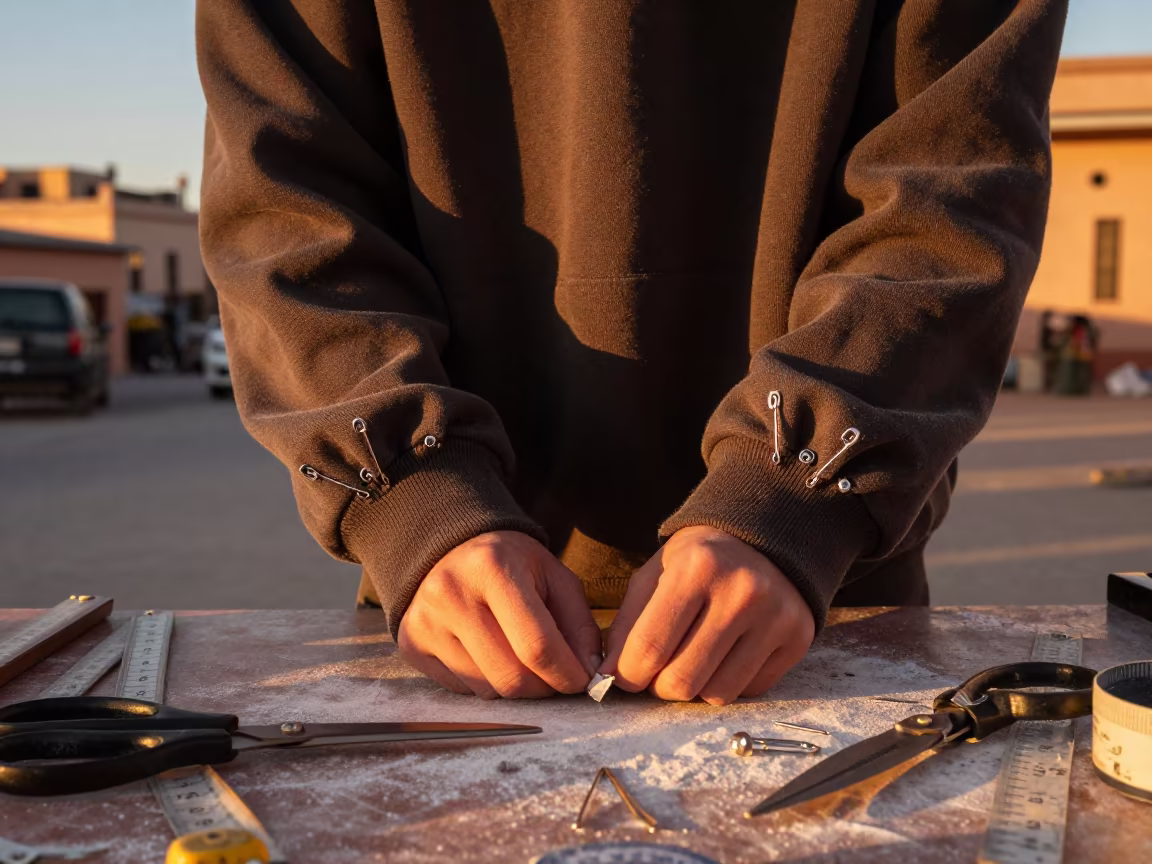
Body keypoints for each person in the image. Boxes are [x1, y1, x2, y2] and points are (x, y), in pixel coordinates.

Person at [197, 1, 1067, 703]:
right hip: (460, 608)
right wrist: (416, 499)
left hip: (816, 609)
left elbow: (952, 192)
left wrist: (792, 497)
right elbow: (286, 208)